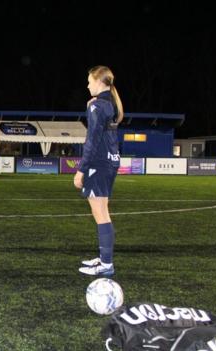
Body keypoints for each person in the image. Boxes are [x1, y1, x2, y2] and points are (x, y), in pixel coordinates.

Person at [75, 65, 124, 277]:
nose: (87, 85)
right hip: (110, 161)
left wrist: (81, 169)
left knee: (100, 212)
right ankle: (105, 260)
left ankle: (106, 265)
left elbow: (92, 141)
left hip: (98, 164)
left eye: (89, 81)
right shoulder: (109, 103)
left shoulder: (97, 106)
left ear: (99, 81)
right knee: (102, 210)